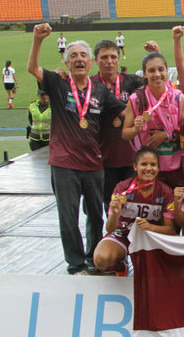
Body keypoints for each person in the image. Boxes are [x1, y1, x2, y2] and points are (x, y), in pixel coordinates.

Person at [27, 23, 128, 274]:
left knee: (95, 215)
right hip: (64, 163)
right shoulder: (57, 83)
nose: (79, 60)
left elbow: (125, 111)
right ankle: (75, 263)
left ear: (91, 62)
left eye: (83, 56)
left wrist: (154, 115)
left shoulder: (101, 91)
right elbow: (32, 68)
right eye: (74, 56)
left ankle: (94, 258)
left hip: (94, 163)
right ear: (67, 62)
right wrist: (38, 39)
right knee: (68, 216)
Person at [93, 147, 176, 275]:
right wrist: (114, 214)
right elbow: (110, 229)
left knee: (156, 271)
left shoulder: (165, 192)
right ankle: (121, 266)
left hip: (152, 237)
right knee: (102, 260)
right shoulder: (122, 188)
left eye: (153, 164)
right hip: (124, 234)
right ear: (135, 167)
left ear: (158, 168)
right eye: (144, 164)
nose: (148, 168)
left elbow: (170, 230)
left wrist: (150, 227)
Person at [121, 52, 184, 190]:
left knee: (175, 208)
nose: (157, 74)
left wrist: (167, 135)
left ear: (166, 71)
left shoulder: (178, 97)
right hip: (149, 168)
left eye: (160, 69)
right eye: (151, 70)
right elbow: (125, 134)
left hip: (176, 166)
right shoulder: (137, 99)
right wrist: (135, 129)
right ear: (145, 74)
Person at [91, 39, 145, 213]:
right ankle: (105, 240)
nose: (109, 61)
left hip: (131, 157)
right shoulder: (90, 85)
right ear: (95, 60)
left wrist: (156, 52)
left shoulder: (132, 82)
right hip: (102, 158)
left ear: (119, 59)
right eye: (104, 57)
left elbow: (155, 82)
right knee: (108, 207)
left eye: (113, 57)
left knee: (132, 206)